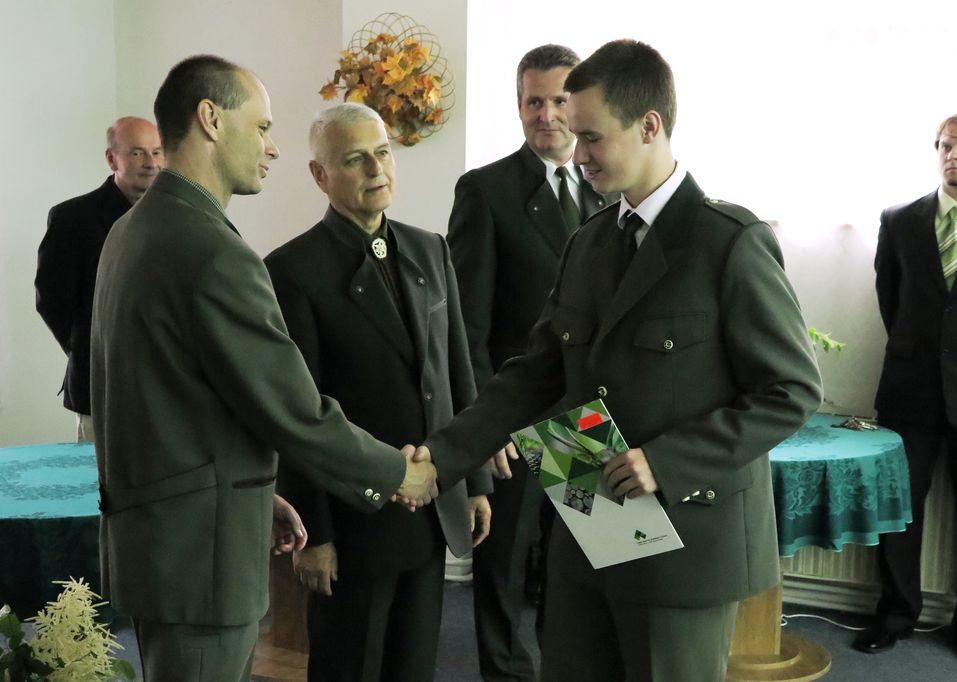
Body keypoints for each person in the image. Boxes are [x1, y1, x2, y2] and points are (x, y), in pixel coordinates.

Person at [417, 40, 822, 681]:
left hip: (684, 534)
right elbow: (536, 371)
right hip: (585, 506)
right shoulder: (589, 242)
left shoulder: (729, 243)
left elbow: (791, 391)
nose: (577, 155)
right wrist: (439, 458)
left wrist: (666, 461)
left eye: (591, 138)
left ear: (649, 126)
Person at [90, 55, 437, 682]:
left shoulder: (133, 229)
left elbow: (169, 399)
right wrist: (397, 473)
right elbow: (293, 409)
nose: (272, 148)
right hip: (201, 556)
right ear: (211, 119)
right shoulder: (212, 251)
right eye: (262, 127)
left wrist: (252, 496)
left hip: (166, 538)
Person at [263, 103, 492, 682]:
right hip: (354, 517)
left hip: (430, 503)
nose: (376, 168)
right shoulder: (292, 270)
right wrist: (315, 535)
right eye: (355, 159)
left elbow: (457, 371)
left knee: (414, 665)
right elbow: (296, 414)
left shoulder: (430, 247)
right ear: (320, 175)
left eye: (383, 152)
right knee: (350, 666)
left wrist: (471, 481)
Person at [446, 43, 607, 681]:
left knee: (590, 566)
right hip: (513, 423)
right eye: (534, 101)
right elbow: (467, 327)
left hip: (585, 421)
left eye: (560, 100)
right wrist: (485, 426)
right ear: (518, 106)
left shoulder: (607, 186)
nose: (547, 114)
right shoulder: (484, 191)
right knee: (505, 572)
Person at [856, 112, 957, 669]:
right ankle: (894, 615)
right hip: (910, 389)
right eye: (945, 146)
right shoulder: (900, 220)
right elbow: (890, 297)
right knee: (898, 511)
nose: (952, 154)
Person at [35, 116, 164, 441]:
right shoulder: (72, 218)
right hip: (100, 390)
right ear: (112, 159)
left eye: (157, 152)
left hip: (166, 393)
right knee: (96, 475)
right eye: (137, 153)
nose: (150, 163)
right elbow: (52, 300)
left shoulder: (176, 216)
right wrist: (92, 349)